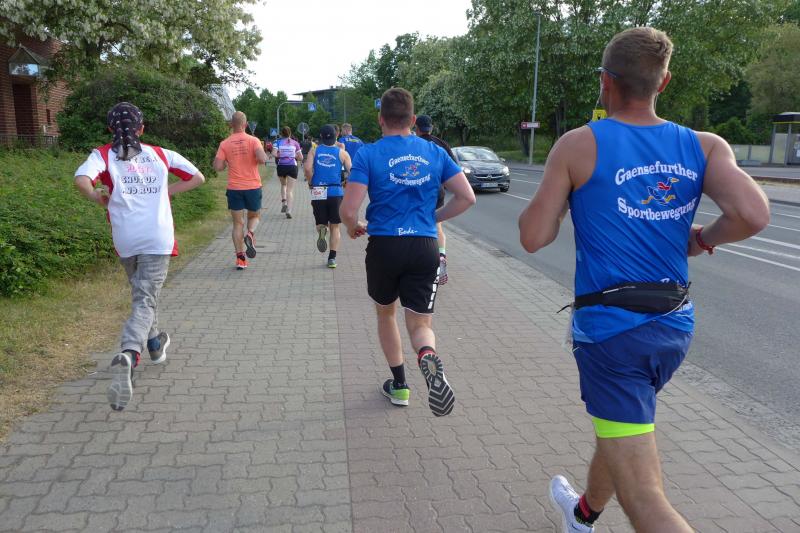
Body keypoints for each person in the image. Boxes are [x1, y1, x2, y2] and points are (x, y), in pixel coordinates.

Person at [518, 27, 770, 533]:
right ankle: (582, 515)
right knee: (622, 427)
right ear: (664, 82)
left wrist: (566, 197)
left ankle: (590, 515)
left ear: (605, 81)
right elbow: (753, 214)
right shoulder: (703, 146)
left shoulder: (578, 145)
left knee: (647, 501)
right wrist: (700, 240)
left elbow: (533, 237)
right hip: (673, 327)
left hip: (613, 335)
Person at [340, 88, 476, 416]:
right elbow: (467, 197)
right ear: (413, 120)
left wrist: (353, 227)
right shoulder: (434, 152)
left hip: (384, 246)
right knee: (420, 323)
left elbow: (348, 209)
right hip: (424, 246)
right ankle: (427, 354)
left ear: (381, 119)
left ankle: (400, 385)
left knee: (386, 313)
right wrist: (434, 218)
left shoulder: (368, 154)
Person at [74, 102, 205, 411]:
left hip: (126, 239)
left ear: (110, 128)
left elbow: (81, 179)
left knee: (143, 295)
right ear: (142, 128)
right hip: (156, 237)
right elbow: (198, 177)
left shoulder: (102, 155)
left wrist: (96, 196)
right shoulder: (161, 154)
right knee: (145, 299)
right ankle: (130, 353)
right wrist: (166, 192)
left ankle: (155, 345)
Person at [214, 111, 269, 270]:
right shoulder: (254, 140)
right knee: (254, 216)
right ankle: (250, 233)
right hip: (252, 187)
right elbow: (262, 159)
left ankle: (240, 259)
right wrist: (260, 156)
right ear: (245, 124)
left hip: (234, 188)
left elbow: (217, 166)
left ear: (231, 124)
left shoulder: (225, 143)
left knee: (237, 223)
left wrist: (226, 162)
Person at [304, 124, 352, 268]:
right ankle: (332, 258)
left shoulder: (314, 151)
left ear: (321, 137)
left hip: (318, 190)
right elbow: (353, 171)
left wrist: (311, 182)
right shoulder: (342, 153)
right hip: (335, 191)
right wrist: (347, 182)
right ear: (336, 136)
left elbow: (307, 168)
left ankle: (322, 230)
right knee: (335, 227)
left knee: (321, 223)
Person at [415, 114, 455, 285]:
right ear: (431, 128)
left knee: (417, 224)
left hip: (418, 190)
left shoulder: (414, 144)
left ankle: (420, 263)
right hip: (437, 191)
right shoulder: (442, 144)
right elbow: (454, 169)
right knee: (437, 226)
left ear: (416, 128)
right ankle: (441, 255)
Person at [274, 126, 303, 218]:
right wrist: (293, 156)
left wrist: (281, 155)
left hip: (281, 166)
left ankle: (284, 202)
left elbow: (274, 154)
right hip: (292, 167)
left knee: (283, 185)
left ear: (281, 134)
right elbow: (301, 157)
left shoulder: (277, 142)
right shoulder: (295, 143)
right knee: (290, 190)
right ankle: (289, 210)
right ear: (290, 133)